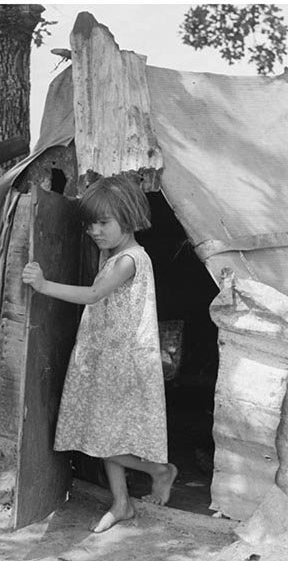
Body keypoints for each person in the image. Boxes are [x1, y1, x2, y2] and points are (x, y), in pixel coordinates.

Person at [21, 175, 176, 533]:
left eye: (104, 223)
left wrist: (43, 286)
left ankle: (159, 470)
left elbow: (93, 296)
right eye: (90, 224)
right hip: (104, 357)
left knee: (102, 435)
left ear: (130, 217)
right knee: (103, 431)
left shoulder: (129, 260)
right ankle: (122, 504)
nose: (95, 231)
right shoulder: (114, 255)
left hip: (120, 361)